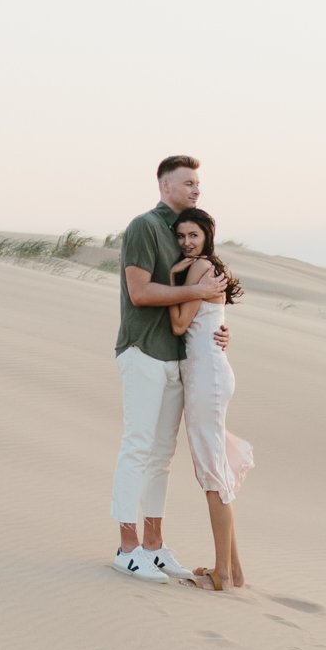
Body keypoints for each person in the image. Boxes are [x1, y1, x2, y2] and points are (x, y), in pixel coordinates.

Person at [111, 155, 231, 582]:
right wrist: (197, 289)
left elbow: (198, 302)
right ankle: (127, 548)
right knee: (138, 445)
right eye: (187, 182)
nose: (196, 188)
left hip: (176, 356)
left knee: (162, 457)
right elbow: (139, 292)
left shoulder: (186, 236)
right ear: (164, 186)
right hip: (143, 348)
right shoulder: (145, 226)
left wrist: (215, 327)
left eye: (198, 183)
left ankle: (154, 546)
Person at [168, 206, 251, 590]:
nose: (186, 242)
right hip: (208, 374)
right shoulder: (202, 269)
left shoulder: (197, 269)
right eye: (181, 236)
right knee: (213, 468)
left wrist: (172, 280)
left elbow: (180, 323)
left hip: (207, 377)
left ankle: (222, 574)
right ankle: (232, 571)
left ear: (206, 238)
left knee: (213, 474)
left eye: (193, 236)